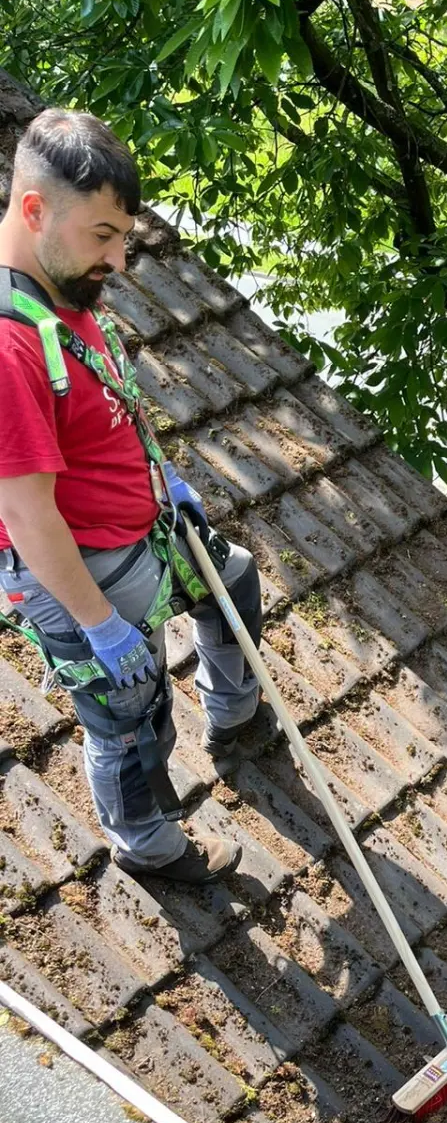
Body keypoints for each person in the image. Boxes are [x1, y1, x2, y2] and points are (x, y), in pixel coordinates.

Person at [0, 108, 268, 885]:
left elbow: (104, 398)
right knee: (132, 714)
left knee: (235, 580)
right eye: (104, 235)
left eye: (124, 237)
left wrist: (165, 481)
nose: (119, 260)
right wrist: (99, 627)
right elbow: (24, 511)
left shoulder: (61, 287)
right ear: (34, 210)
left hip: (144, 519)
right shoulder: (11, 346)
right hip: (82, 565)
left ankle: (236, 719)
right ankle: (149, 846)